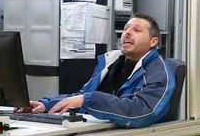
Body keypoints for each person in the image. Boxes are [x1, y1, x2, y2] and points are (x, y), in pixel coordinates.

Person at [32, 14, 178, 128]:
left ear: (153, 42)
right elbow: (81, 97)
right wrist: (47, 104)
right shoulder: (111, 62)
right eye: (126, 28)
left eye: (136, 30)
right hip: (95, 132)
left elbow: (141, 112)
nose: (127, 33)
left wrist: (88, 99)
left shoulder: (158, 72)